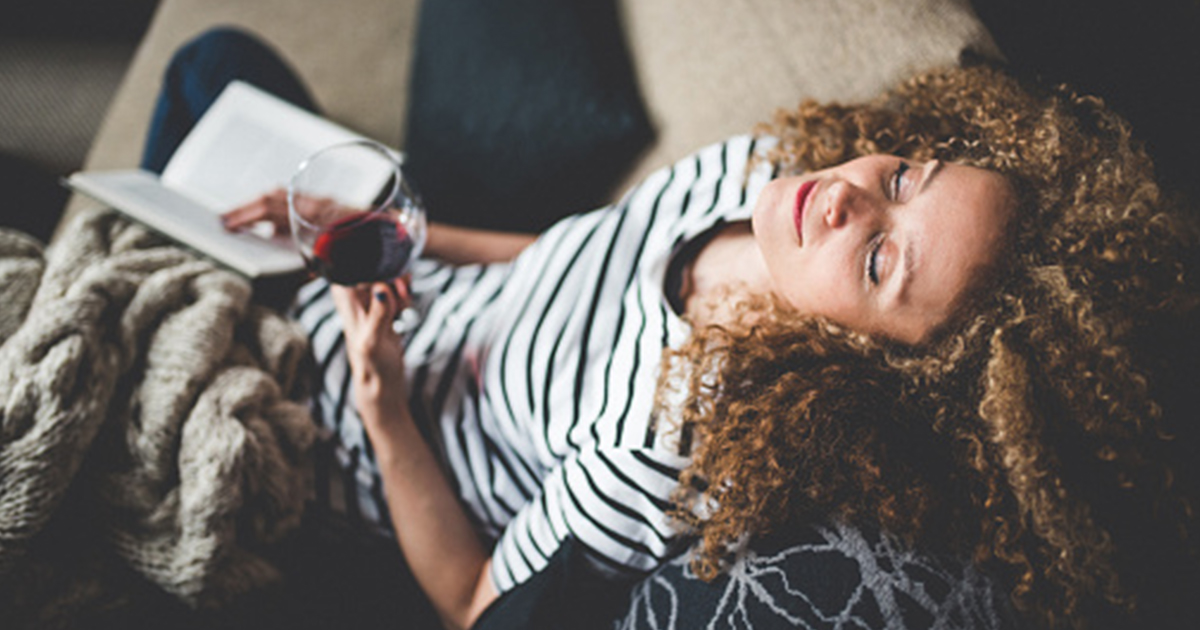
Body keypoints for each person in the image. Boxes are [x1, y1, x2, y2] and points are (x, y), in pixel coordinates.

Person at [150, 29, 1198, 630]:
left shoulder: (671, 448)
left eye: (881, 261)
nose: (845, 197)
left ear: (883, 364)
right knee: (215, 64)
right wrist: (387, 233)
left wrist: (384, 410)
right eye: (903, 179)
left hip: (323, 427)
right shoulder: (759, 173)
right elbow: (572, 254)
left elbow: (474, 603)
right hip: (376, 281)